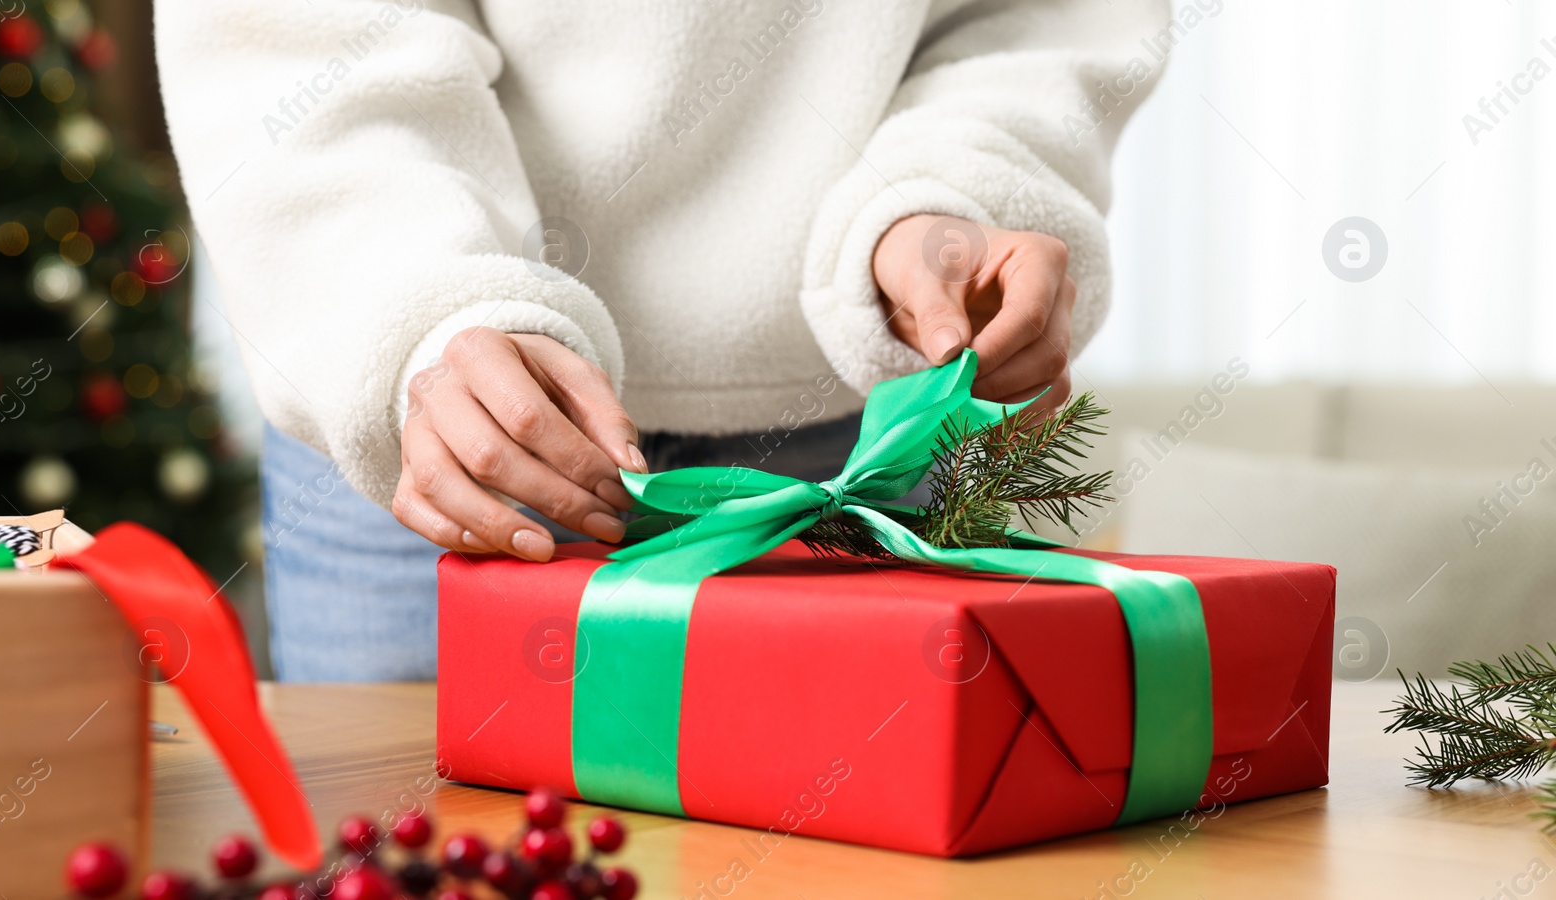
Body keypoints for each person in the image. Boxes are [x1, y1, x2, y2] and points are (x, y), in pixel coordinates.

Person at [154, 0, 1169, 680]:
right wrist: (417, 302)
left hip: (862, 432)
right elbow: (293, 36)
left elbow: (1039, 19)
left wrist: (955, 187)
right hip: (442, 419)